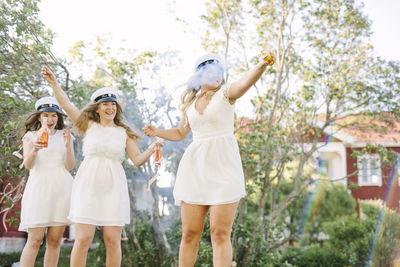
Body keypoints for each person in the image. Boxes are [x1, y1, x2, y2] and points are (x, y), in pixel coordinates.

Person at [143, 51, 274, 267]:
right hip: (196, 169)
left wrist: (262, 64)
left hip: (224, 168)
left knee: (220, 234)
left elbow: (244, 83)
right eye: (211, 72)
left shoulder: (226, 93)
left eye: (219, 72)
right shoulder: (190, 103)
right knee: (189, 234)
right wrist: (157, 131)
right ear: (199, 76)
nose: (217, 76)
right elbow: (180, 133)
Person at [41, 66, 160, 267]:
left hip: (114, 187)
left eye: (112, 104)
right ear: (97, 108)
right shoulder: (89, 126)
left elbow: (137, 159)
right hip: (88, 184)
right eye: (105, 104)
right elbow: (67, 104)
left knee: (113, 241)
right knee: (83, 239)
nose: (110, 108)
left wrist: (152, 148)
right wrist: (54, 83)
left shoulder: (124, 133)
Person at [19, 96, 75, 267]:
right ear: (39, 117)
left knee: (55, 241)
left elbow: (69, 166)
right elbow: (29, 165)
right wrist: (34, 149)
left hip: (62, 190)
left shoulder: (65, 135)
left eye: (54, 115)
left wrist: (67, 146)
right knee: (35, 240)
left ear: (58, 117)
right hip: (39, 190)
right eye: (46, 115)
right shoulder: (30, 136)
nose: (50, 119)